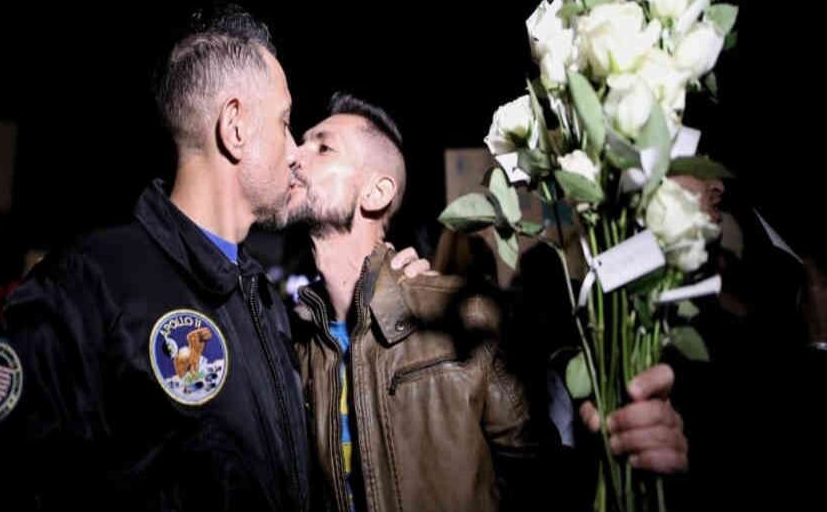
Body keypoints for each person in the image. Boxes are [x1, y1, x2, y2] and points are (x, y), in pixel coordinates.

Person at [0, 7, 424, 511]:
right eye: (286, 123)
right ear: (235, 128)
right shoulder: (89, 284)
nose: (294, 151)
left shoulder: (263, 300)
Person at [289, 93, 688, 511]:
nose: (294, 156)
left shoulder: (462, 320)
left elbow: (544, 481)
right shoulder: (292, 342)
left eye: (322, 146)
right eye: (301, 142)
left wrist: (626, 455)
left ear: (376, 193)